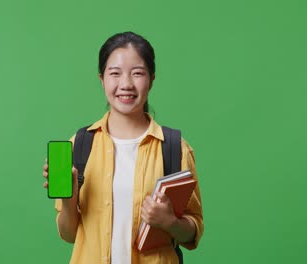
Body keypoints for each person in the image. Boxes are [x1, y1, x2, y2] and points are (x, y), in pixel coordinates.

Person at [43, 31, 203, 264]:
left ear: (152, 79)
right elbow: (69, 235)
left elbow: (194, 230)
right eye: (115, 73)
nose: (126, 84)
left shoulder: (174, 148)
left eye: (137, 73)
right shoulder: (80, 144)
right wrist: (69, 200)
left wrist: (170, 223)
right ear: (102, 79)